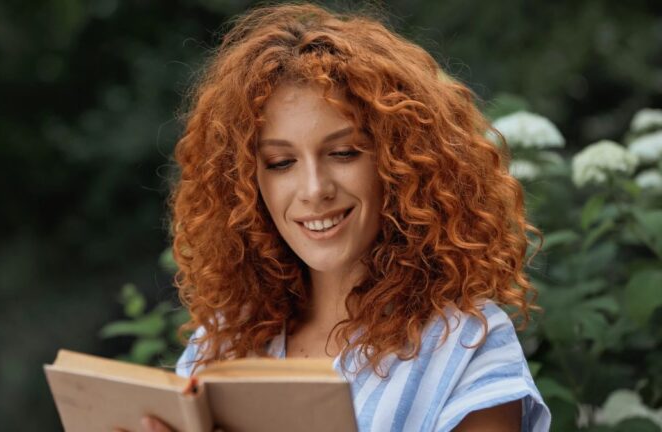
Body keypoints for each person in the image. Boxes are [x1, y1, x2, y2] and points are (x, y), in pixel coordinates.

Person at [122, 3, 551, 431]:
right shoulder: (220, 344)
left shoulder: (467, 343)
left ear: (400, 163)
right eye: (280, 162)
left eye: (343, 153)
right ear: (248, 183)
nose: (314, 189)